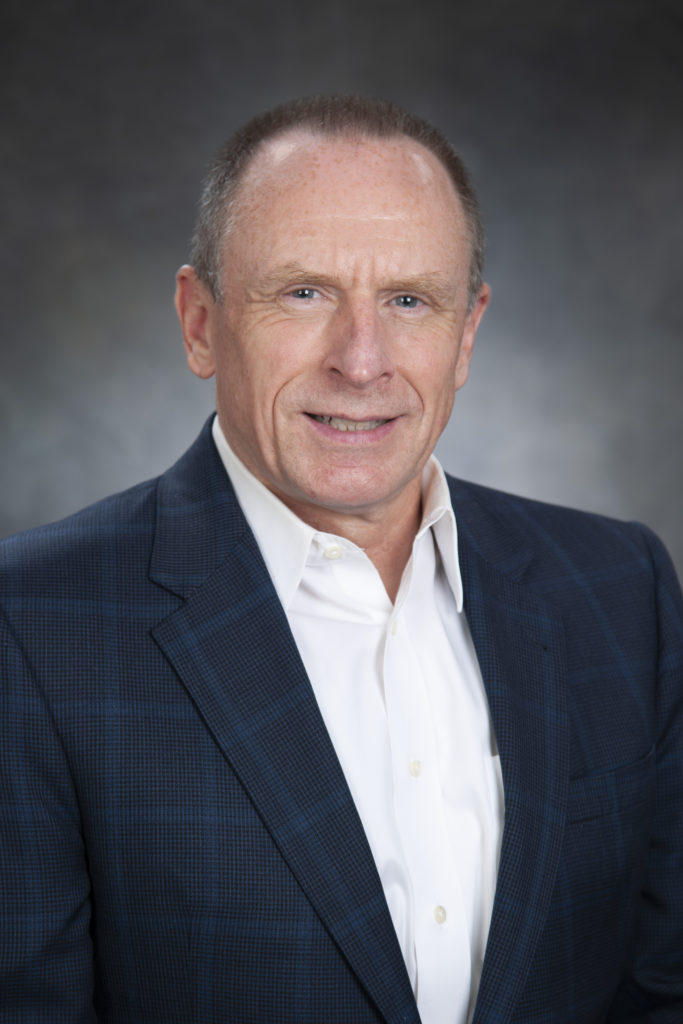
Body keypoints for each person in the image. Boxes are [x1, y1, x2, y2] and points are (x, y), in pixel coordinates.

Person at [1, 96, 681, 1024]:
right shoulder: (33, 626)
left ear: (467, 333)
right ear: (200, 322)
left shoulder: (618, 587)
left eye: (409, 300)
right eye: (304, 292)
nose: (362, 361)